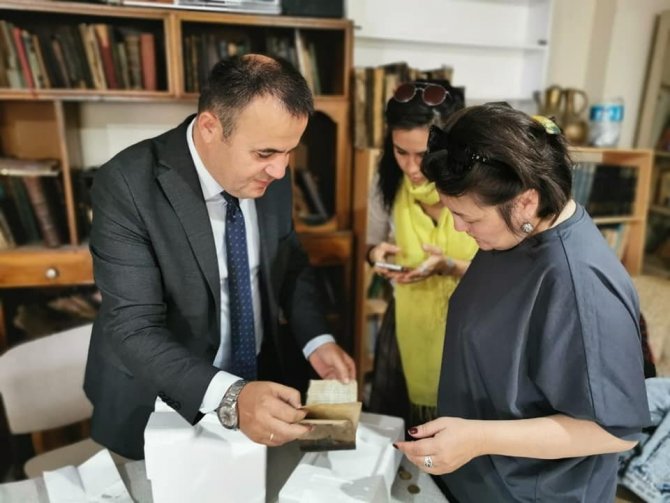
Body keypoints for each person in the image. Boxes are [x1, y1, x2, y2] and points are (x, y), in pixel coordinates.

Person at [84, 54, 356, 460]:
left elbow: (289, 263)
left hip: (258, 380)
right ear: (211, 127)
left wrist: (317, 339)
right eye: (265, 153)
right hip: (159, 396)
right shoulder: (126, 184)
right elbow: (134, 327)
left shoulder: (273, 170)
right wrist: (231, 396)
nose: (280, 171)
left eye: (289, 152)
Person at [394, 103, 651, 502]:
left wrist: (478, 437)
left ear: (526, 201)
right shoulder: (516, 234)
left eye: (470, 218)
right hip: (480, 478)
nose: (459, 227)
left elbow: (615, 431)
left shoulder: (580, 283)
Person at [366, 80, 478, 426]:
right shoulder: (387, 184)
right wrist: (376, 256)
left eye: (423, 155)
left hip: (471, 328)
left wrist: (449, 266)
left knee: (457, 430)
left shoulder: (478, 185)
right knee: (396, 427)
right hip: (406, 324)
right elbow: (371, 245)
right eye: (401, 152)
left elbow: (508, 271)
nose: (412, 168)